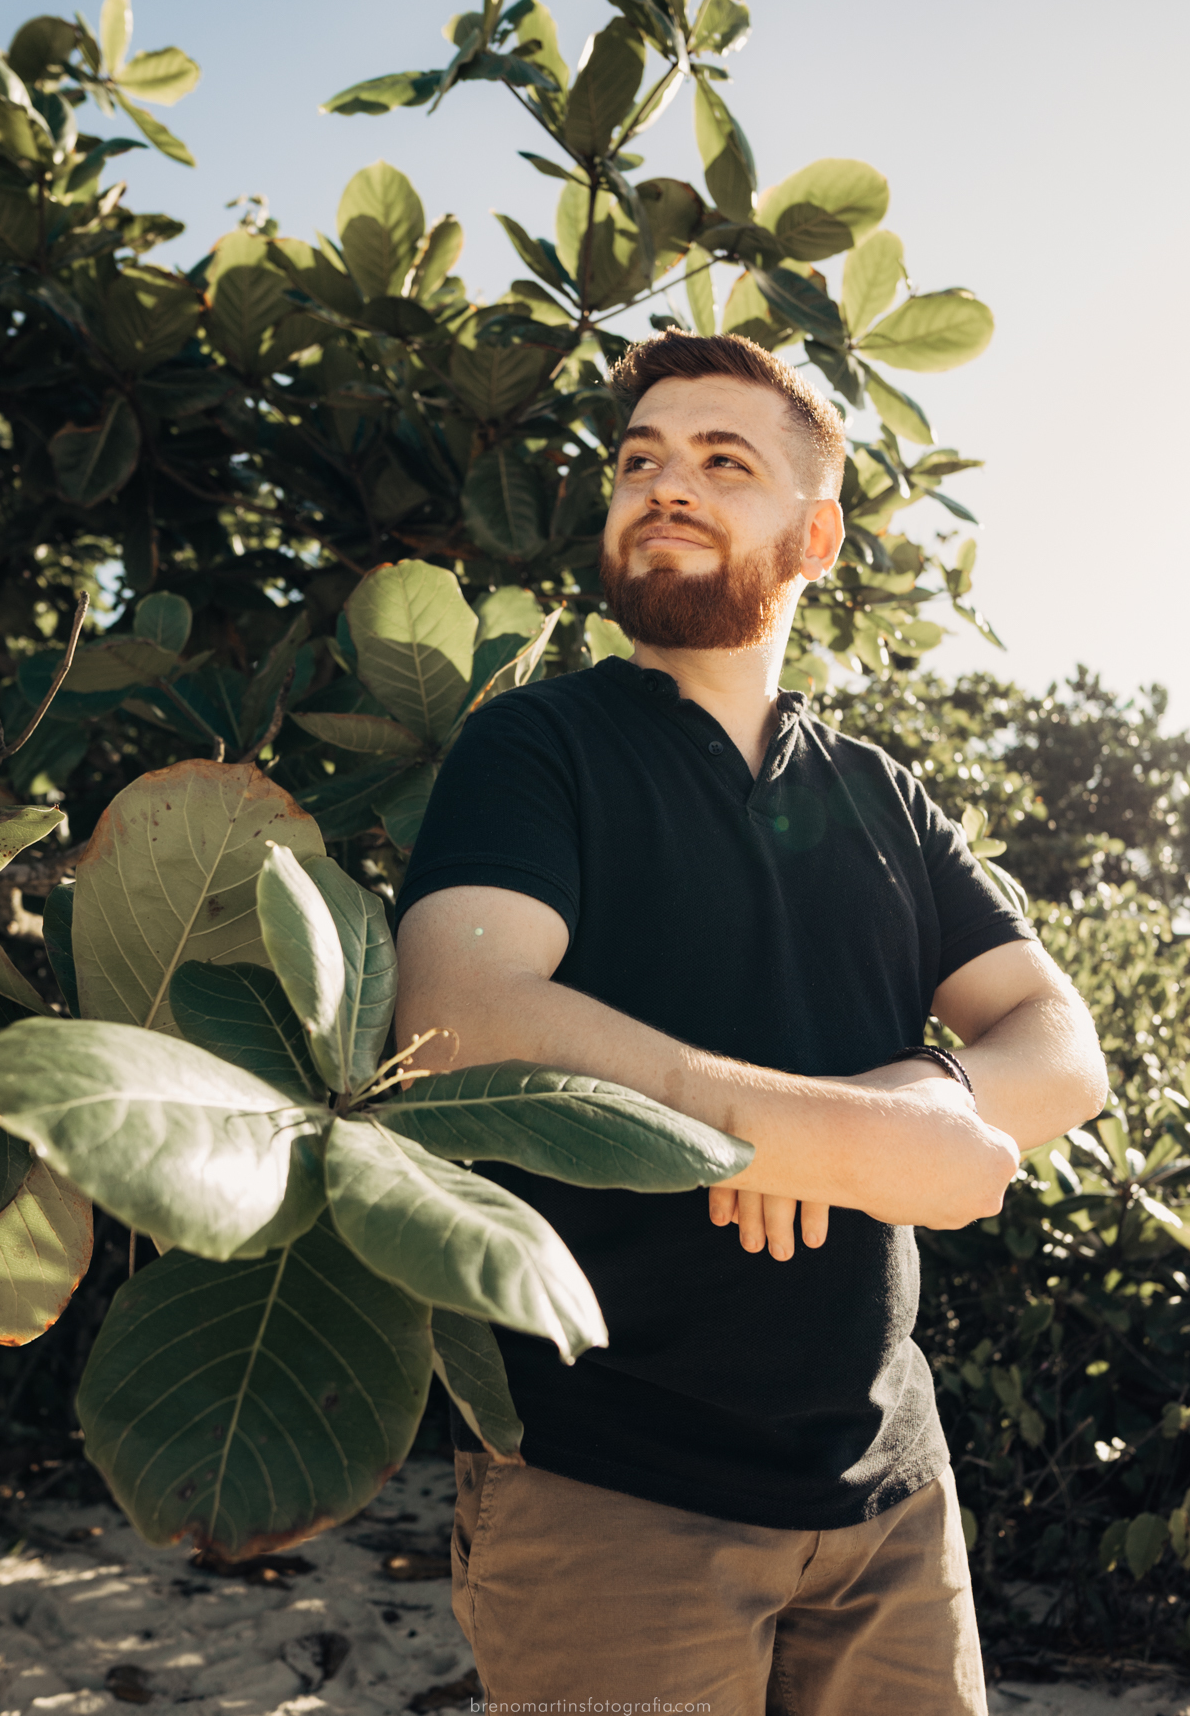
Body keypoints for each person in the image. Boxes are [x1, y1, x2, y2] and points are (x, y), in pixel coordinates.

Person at [394, 331, 1107, 1716]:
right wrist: (796, 1140)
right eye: (639, 459)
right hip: (610, 1488)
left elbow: (1056, 1041)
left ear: (817, 536)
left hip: (895, 1492)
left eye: (725, 462)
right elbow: (461, 1019)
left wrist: (905, 1099)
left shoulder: (879, 793)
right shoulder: (537, 748)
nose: (665, 484)